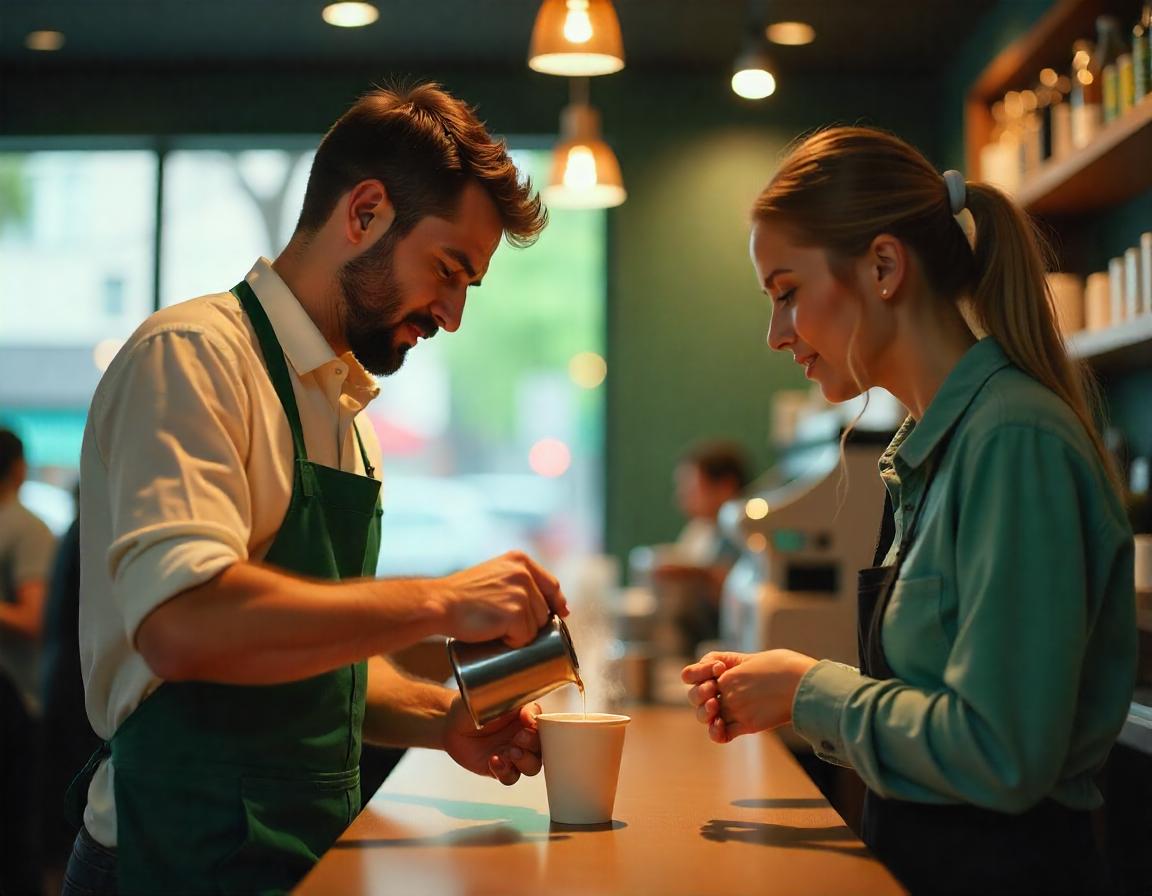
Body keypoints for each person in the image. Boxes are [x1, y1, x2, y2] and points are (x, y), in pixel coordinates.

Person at [64, 82, 568, 896]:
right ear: (364, 213)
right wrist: (441, 600)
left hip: (296, 852)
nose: (453, 313)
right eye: (449, 270)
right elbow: (182, 626)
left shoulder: (344, 414)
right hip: (172, 857)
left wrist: (443, 722)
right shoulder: (193, 357)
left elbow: (318, 670)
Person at [682, 126, 1136, 895]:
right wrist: (790, 692)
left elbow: (1000, 751)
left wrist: (808, 690)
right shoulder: (929, 450)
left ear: (885, 267)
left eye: (787, 292)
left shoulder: (1013, 441)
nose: (774, 334)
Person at [0, 428, 57, 896]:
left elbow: (31, 618)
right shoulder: (27, 525)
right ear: (19, 469)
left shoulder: (25, 527)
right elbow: (37, 617)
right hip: (17, 697)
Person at [651, 441, 747, 650]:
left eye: (692, 488)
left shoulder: (747, 534)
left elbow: (740, 596)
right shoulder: (700, 531)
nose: (681, 498)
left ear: (725, 487)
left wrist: (695, 573)